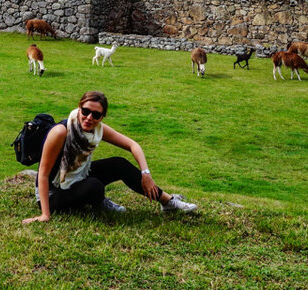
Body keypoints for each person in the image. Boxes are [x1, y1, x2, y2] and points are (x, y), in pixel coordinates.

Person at [22, 90, 197, 223]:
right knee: (94, 186)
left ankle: (168, 202)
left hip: (76, 178)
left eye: (96, 115)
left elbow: (132, 145)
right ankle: (100, 202)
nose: (89, 117)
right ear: (79, 107)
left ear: (101, 117)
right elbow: (43, 174)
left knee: (118, 164)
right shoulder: (61, 132)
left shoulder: (97, 130)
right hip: (54, 192)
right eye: (85, 111)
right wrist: (45, 214)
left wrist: (146, 173)